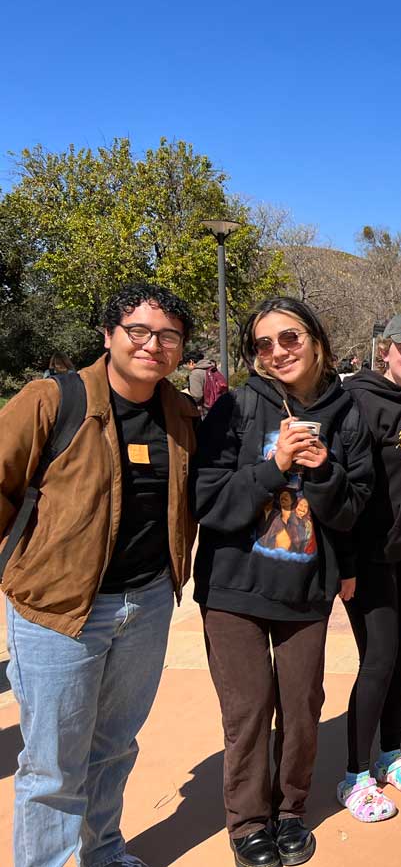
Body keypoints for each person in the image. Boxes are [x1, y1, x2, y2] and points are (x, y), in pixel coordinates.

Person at [1, 283, 198, 867]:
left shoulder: (180, 414)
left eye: (168, 336)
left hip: (147, 605)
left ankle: (105, 853)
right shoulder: (49, 400)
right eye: (138, 331)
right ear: (109, 335)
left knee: (114, 748)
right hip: (58, 610)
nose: (152, 345)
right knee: (52, 763)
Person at [192, 297, 373, 867]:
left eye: (289, 338)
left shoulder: (347, 415)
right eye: (264, 345)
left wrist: (322, 470)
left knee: (301, 707)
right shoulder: (237, 408)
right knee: (248, 712)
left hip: (305, 590)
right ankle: (248, 822)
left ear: (316, 340)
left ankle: (291, 812)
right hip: (234, 589)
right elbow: (209, 502)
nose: (277, 352)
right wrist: (273, 469)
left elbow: (354, 511)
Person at [336, 315, 401, 822]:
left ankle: (391, 754)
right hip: (372, 556)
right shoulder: (358, 401)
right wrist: (346, 563)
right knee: (377, 659)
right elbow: (344, 489)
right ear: (385, 350)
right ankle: (354, 775)